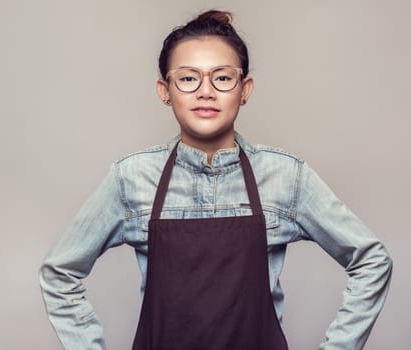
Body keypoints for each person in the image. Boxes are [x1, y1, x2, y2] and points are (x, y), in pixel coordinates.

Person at [39, 9, 392, 350]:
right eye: (188, 78)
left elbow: (371, 260)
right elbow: (60, 273)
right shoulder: (131, 178)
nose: (205, 91)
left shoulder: (286, 176)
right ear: (165, 90)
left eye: (222, 77)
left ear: (245, 89)